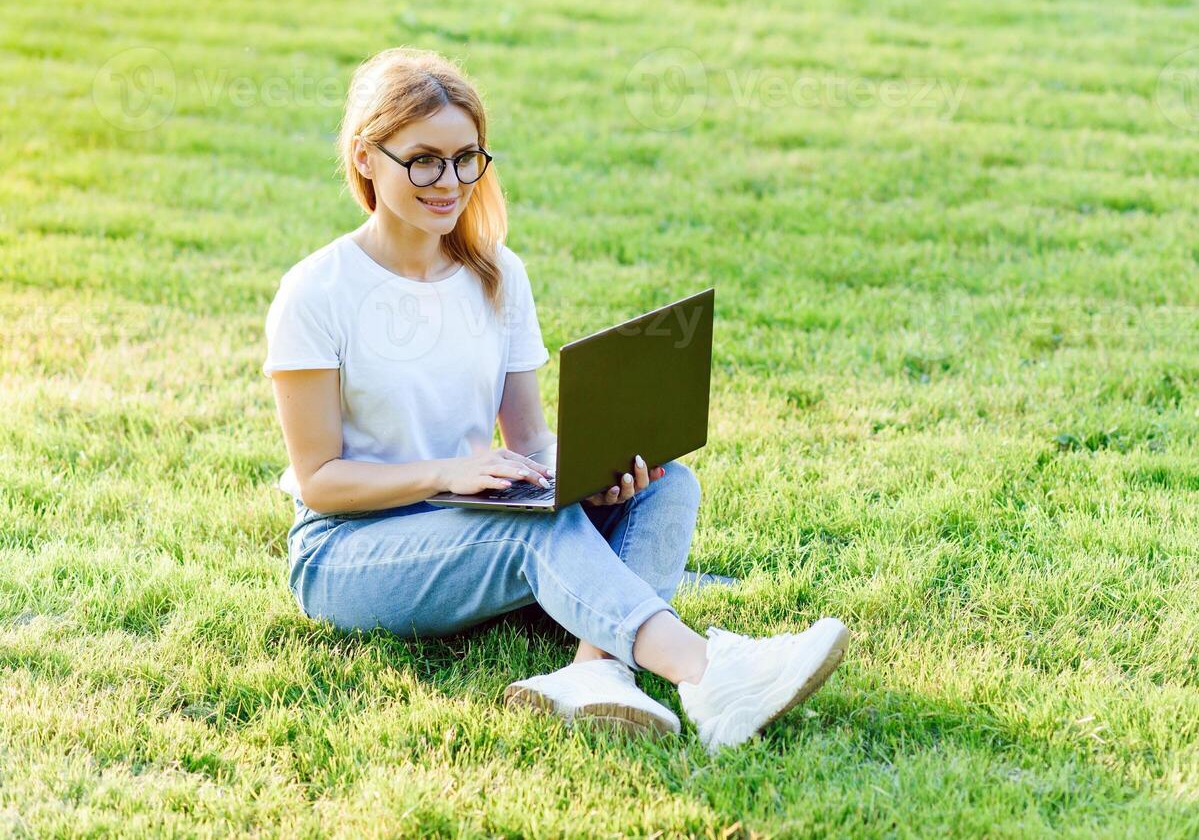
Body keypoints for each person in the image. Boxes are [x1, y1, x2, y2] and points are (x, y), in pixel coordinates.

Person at [262, 46, 849, 752]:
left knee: (666, 488)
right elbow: (322, 482)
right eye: (423, 160)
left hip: (474, 512)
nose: (450, 181)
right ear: (365, 157)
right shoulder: (317, 291)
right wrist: (447, 474)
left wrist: (590, 473)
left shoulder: (497, 275)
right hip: (349, 553)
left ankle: (592, 674)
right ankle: (712, 673)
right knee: (528, 529)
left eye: (467, 158)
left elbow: (532, 440)